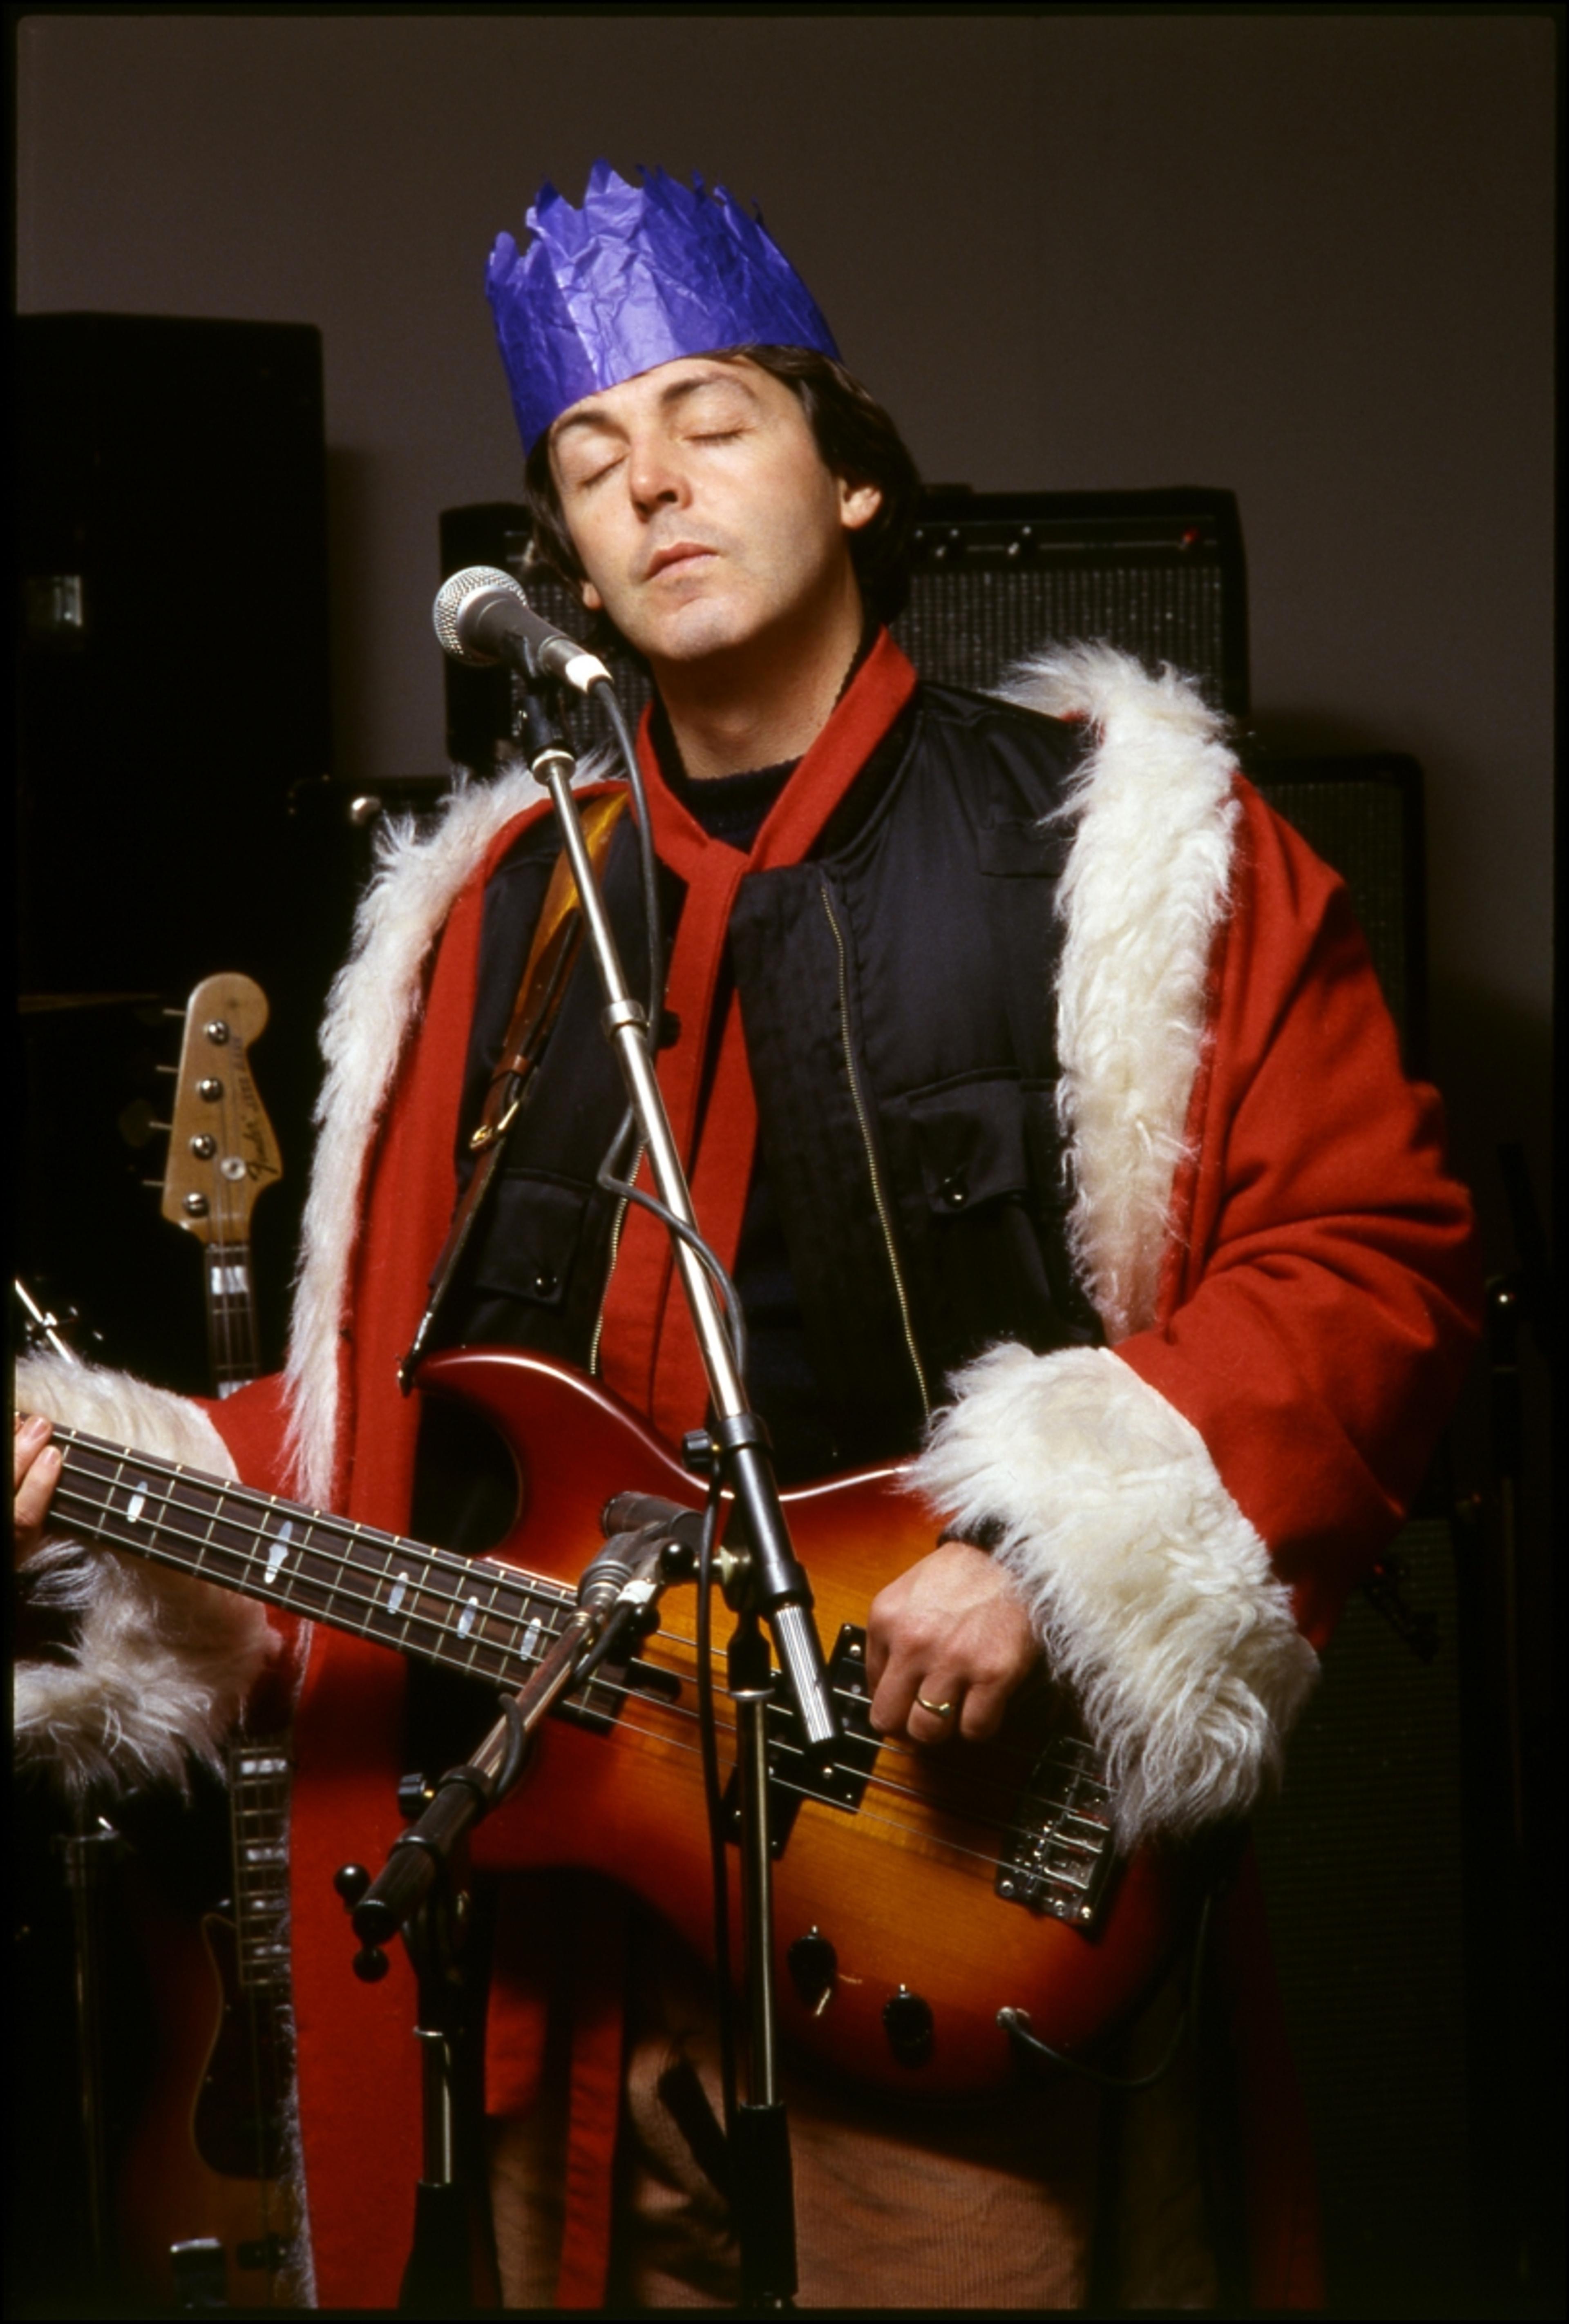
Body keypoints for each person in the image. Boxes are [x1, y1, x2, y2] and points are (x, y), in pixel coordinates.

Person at [15, 161, 1481, 2311]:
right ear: (569, 556)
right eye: (593, 462)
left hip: (937, 1893)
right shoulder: (491, 924)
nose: (654, 486)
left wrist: (1060, 1548)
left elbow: (1370, 1257)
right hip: (569, 1951)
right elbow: (385, 1425)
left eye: (712, 419)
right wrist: (92, 1472)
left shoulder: (1121, 845)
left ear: (851, 471)